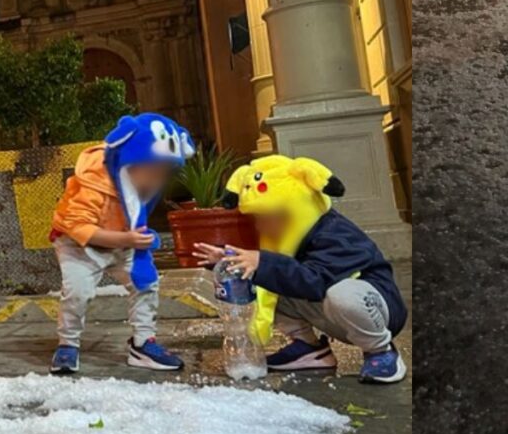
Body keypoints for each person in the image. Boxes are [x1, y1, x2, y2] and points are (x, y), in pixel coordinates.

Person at [193, 155, 408, 384]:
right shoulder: (290, 237)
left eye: (268, 216)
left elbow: (316, 281)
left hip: (375, 310)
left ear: (294, 209)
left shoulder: (337, 234)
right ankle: (310, 349)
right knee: (258, 282)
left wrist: (262, 262)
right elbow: (284, 272)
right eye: (258, 217)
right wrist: (229, 260)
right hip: (331, 312)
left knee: (342, 294)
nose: (260, 225)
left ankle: (381, 351)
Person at [48, 113, 194, 374]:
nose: (155, 181)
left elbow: (135, 213)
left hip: (122, 242)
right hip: (79, 245)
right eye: (151, 172)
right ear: (131, 161)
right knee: (78, 293)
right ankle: (68, 343)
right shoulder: (93, 182)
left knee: (146, 283)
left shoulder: (141, 183)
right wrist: (128, 239)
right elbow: (80, 227)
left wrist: (137, 239)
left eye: (163, 174)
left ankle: (143, 343)